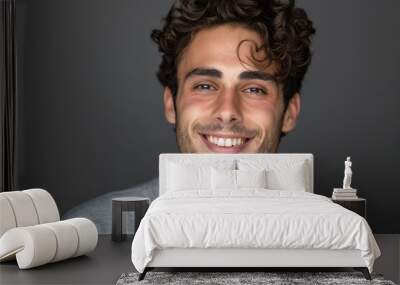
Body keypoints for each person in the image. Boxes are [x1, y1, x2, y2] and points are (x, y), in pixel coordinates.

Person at [64, 0, 316, 233]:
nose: (227, 112)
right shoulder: (92, 232)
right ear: (171, 105)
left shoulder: (331, 239)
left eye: (254, 89)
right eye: (205, 86)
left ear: (289, 113)